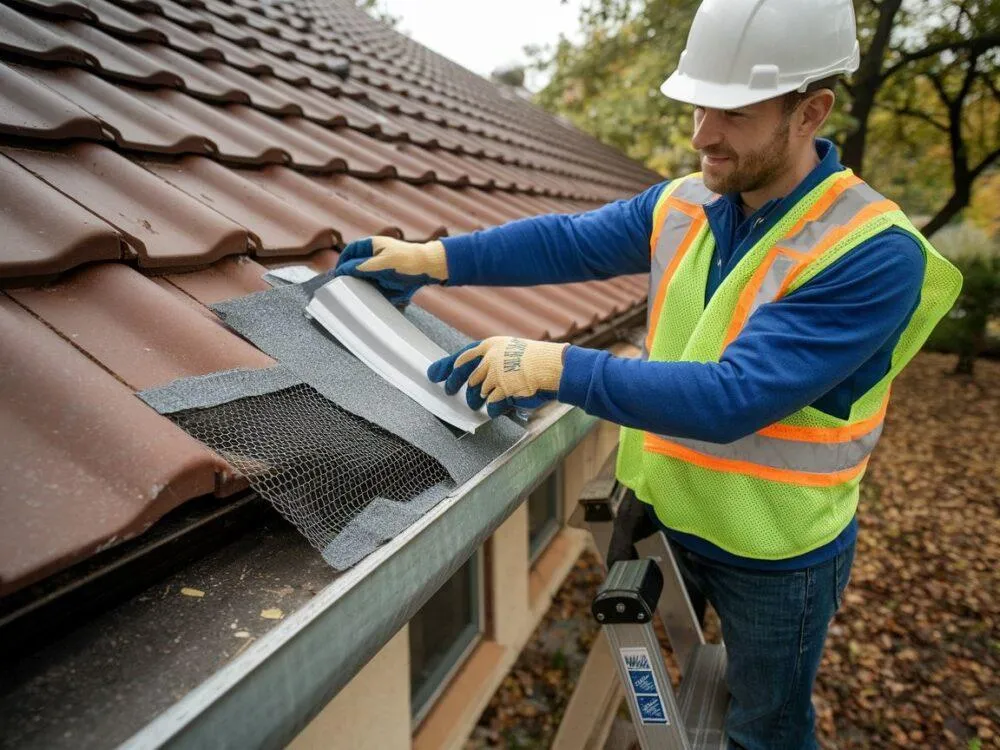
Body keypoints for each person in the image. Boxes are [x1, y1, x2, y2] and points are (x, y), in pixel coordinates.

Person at [334, 0, 962, 747]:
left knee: (767, 729)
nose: (703, 135)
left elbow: (736, 397)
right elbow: (567, 243)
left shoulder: (871, 251)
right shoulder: (691, 200)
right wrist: (432, 259)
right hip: (670, 505)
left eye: (731, 112)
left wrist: (555, 364)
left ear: (811, 113)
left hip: (776, 554)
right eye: (698, 104)